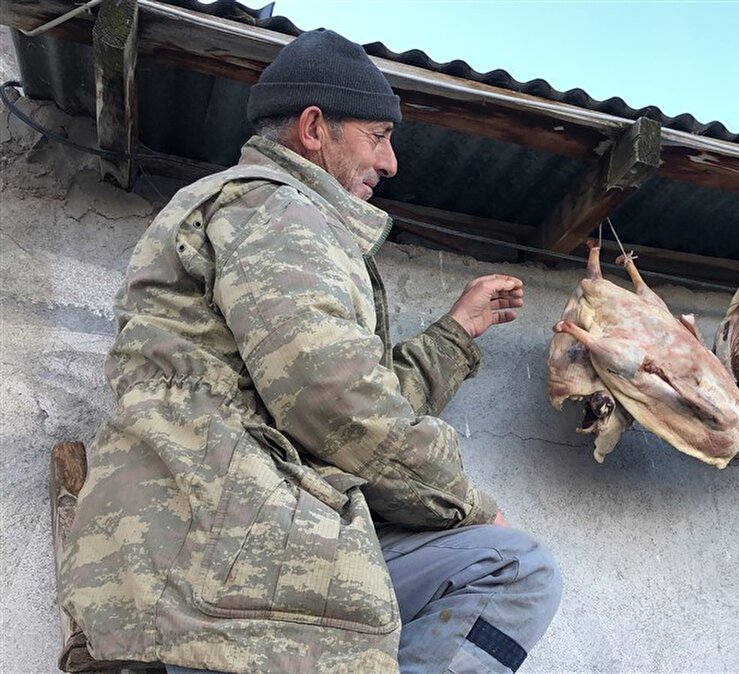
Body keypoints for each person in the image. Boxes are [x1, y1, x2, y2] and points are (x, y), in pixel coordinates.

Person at [57, 28, 561, 674]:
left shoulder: (260, 214)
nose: (391, 162)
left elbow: (339, 397)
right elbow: (335, 402)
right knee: (512, 568)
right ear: (315, 129)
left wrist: (455, 334)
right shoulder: (276, 209)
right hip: (224, 557)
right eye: (378, 136)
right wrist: (472, 507)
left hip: (220, 550)